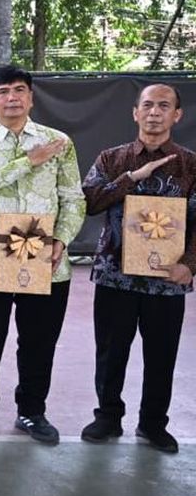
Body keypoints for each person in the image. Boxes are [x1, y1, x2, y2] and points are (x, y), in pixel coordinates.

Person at [0, 64, 85, 444]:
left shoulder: (59, 142)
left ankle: (32, 411)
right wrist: (29, 160)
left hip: (44, 258)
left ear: (31, 98)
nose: (11, 98)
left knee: (39, 341)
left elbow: (73, 198)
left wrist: (62, 239)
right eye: (3, 92)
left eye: (19, 90)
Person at [80, 83, 194, 454]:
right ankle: (107, 416)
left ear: (177, 115)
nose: (154, 112)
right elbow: (90, 202)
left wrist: (190, 265)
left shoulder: (190, 164)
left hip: (167, 281)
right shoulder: (111, 159)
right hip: (115, 276)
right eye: (147, 105)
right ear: (135, 112)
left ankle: (153, 424)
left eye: (164, 106)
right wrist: (131, 178)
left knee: (162, 355)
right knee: (110, 352)